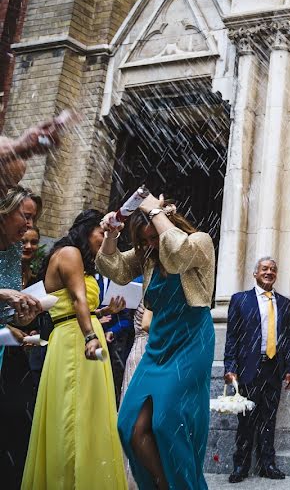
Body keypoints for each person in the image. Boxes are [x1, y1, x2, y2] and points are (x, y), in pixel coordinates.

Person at [97, 193, 215, 490]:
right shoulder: (148, 256)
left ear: (167, 222)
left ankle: (181, 484)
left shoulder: (200, 241)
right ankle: (163, 482)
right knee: (130, 426)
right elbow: (113, 268)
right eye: (144, 241)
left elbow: (179, 255)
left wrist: (154, 211)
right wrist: (111, 235)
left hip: (191, 342)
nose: (150, 245)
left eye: (152, 238)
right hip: (159, 344)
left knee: (166, 423)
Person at [21, 209, 127, 489]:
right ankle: (70, 481)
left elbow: (75, 304)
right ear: (86, 229)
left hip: (79, 332)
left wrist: (105, 310)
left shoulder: (75, 257)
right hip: (75, 342)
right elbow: (78, 300)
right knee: (74, 415)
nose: (103, 238)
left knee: (87, 414)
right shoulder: (69, 253)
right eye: (100, 232)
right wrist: (91, 336)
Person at [224, 257, 290, 483]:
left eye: (273, 269)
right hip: (248, 368)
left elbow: (288, 339)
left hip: (273, 368)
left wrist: (289, 368)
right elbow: (232, 337)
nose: (269, 272)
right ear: (255, 274)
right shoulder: (240, 300)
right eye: (264, 269)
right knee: (245, 420)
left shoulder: (284, 303)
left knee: (268, 419)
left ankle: (268, 464)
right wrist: (230, 367)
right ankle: (240, 467)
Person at [0, 187, 42, 487]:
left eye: (33, 219)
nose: (29, 225)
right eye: (25, 216)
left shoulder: (14, 250)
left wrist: (22, 316)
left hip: (7, 347)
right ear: (4, 211)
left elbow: (8, 313)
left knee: (18, 420)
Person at [120, 298, 150, 490]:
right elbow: (148, 324)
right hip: (146, 354)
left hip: (139, 352)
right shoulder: (152, 294)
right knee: (142, 416)